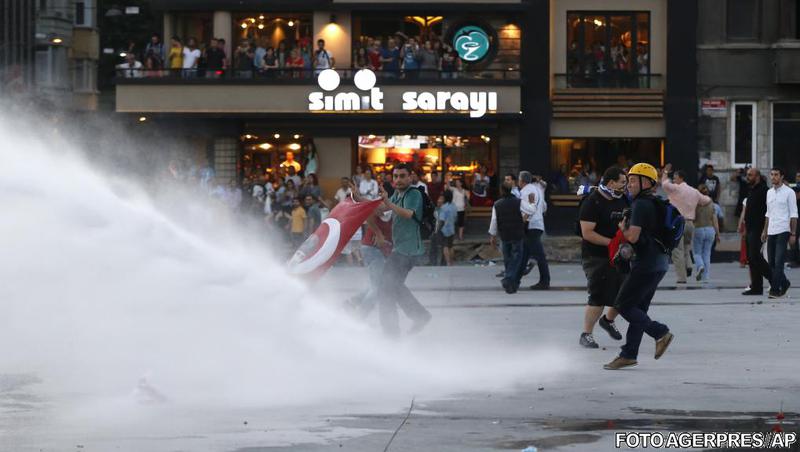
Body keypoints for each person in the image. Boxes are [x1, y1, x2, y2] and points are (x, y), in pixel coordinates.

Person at [604, 163, 674, 370]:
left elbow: (632, 236)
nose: (629, 184)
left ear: (647, 183)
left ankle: (660, 332)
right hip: (659, 262)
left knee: (623, 305)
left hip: (646, 263)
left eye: (634, 180)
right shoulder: (653, 202)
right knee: (639, 308)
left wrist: (622, 228)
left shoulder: (641, 205)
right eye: (629, 180)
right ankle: (628, 354)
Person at [360, 163, 432, 336]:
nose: (398, 180)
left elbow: (409, 214)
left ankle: (392, 334)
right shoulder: (398, 195)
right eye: (396, 176)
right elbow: (379, 210)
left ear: (410, 177)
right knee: (392, 286)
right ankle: (419, 316)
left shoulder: (414, 193)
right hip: (399, 249)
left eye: (402, 176)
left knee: (386, 289)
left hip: (408, 250)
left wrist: (388, 203)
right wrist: (358, 199)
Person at [577, 167, 628, 348]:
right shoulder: (592, 202)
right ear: (611, 182)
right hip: (595, 256)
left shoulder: (621, 199)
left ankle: (608, 320)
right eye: (622, 182)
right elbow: (587, 233)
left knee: (626, 293)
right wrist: (611, 243)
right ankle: (586, 334)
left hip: (619, 255)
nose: (625, 186)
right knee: (598, 295)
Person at [661, 165, 712, 284]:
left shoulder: (676, 189)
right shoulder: (694, 191)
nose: (673, 179)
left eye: (675, 177)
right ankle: (688, 265)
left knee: (677, 250)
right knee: (686, 247)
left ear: (680, 178)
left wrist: (665, 172)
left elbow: (664, 184)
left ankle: (681, 278)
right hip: (690, 223)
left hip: (677, 222)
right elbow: (707, 200)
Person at [762, 168, 798, 298]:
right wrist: (765, 230)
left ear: (781, 177)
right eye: (771, 175)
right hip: (771, 230)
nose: (773, 177)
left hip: (784, 230)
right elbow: (768, 213)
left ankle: (775, 290)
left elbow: (794, 214)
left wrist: (793, 233)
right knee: (771, 262)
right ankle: (785, 282)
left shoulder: (789, 193)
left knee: (779, 262)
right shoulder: (769, 193)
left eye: (776, 175)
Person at [489, 183, 529, 293]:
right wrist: (523, 220)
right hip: (517, 233)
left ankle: (509, 280)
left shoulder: (497, 204)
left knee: (507, 258)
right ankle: (510, 279)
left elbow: (494, 221)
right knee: (516, 257)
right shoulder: (518, 202)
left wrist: (492, 235)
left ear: (501, 191)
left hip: (504, 234)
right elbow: (530, 209)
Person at [742, 168, 772, 295]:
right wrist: (744, 229)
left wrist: (765, 230)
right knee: (751, 258)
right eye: (747, 175)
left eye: (750, 175)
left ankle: (776, 280)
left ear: (758, 176)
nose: (747, 177)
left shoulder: (764, 190)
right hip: (749, 229)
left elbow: (769, 211)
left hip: (758, 229)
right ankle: (756, 287)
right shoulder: (751, 190)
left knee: (756, 256)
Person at [519, 171, 550, 290]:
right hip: (537, 223)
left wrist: (521, 222)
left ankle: (545, 281)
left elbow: (526, 210)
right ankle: (514, 278)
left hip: (530, 225)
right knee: (525, 253)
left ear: (522, 181)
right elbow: (542, 207)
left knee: (539, 255)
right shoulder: (538, 189)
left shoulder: (525, 191)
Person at [692, 184, 721, 284]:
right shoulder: (711, 204)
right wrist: (718, 234)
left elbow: (693, 218)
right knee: (707, 253)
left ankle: (700, 266)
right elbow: (715, 220)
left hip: (698, 228)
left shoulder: (695, 203)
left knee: (697, 253)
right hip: (710, 230)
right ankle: (706, 277)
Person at [439, 190, 457, 266]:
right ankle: (452, 262)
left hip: (445, 230)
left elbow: (442, 220)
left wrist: (438, 228)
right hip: (452, 228)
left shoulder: (443, 207)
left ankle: (448, 262)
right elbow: (455, 217)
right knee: (451, 246)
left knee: (445, 246)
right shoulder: (454, 206)